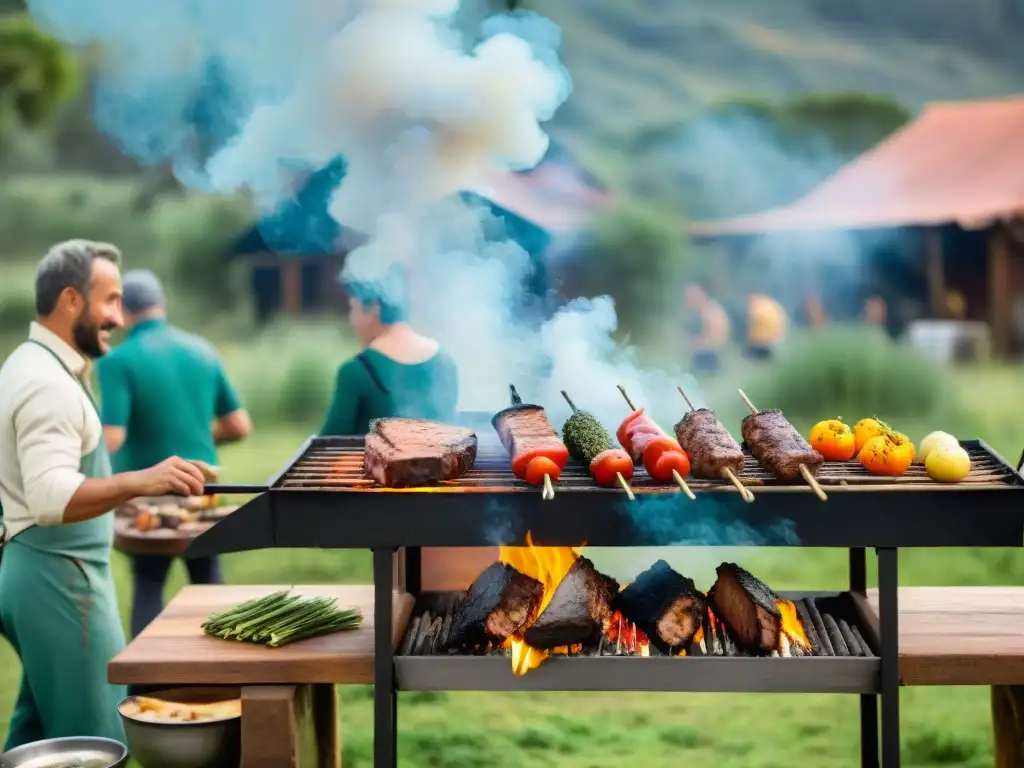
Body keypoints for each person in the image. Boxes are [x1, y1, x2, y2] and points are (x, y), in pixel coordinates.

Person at [0, 241, 206, 749]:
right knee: (98, 742)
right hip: (61, 583)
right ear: (71, 300)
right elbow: (51, 498)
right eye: (109, 300)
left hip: (40, 576)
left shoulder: (28, 362)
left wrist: (138, 492)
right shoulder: (47, 383)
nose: (119, 315)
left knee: (37, 738)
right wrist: (142, 481)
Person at [97, 270, 252, 638]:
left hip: (150, 496)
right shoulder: (202, 349)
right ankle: (225, 673)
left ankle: (145, 685)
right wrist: (196, 435)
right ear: (160, 304)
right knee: (207, 577)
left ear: (120, 310)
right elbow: (239, 425)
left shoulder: (118, 361)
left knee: (150, 582)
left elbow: (112, 438)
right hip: (203, 489)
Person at [320, 270, 459, 434]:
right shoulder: (445, 363)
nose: (352, 319)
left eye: (353, 309)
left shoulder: (356, 371)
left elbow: (328, 444)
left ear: (373, 309)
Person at [683, 283, 730, 375]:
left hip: (705, 352)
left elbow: (698, 334)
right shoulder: (714, 308)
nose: (689, 301)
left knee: (698, 379)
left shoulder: (705, 312)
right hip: (713, 351)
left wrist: (692, 343)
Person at [745, 292, 788, 361]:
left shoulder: (756, 308)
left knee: (750, 356)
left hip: (759, 343)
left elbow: (752, 326)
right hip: (772, 342)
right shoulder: (772, 306)